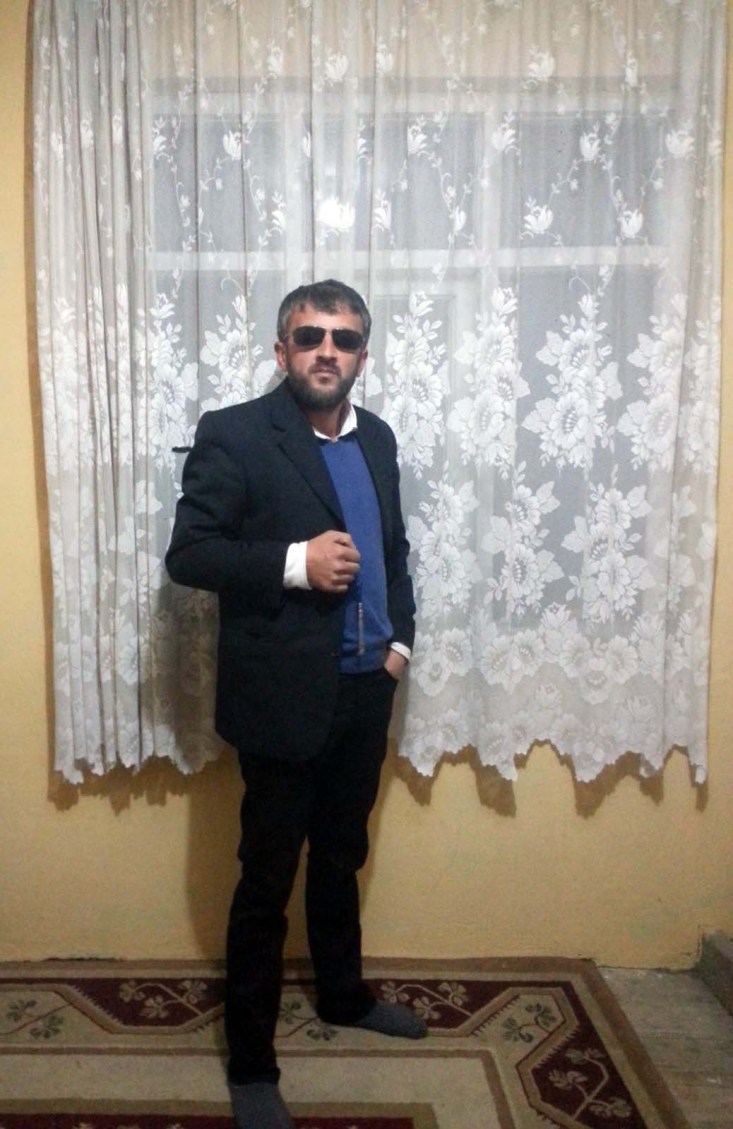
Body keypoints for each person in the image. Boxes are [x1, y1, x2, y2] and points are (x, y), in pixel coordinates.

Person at [166, 280, 425, 1129]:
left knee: (341, 856)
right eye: (309, 335)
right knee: (266, 879)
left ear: (362, 356)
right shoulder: (236, 433)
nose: (326, 350)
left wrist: (399, 646)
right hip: (281, 699)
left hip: (365, 690)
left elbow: (393, 550)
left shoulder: (377, 437)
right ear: (282, 350)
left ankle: (343, 995)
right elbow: (190, 553)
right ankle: (250, 1063)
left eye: (343, 339)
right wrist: (293, 562)